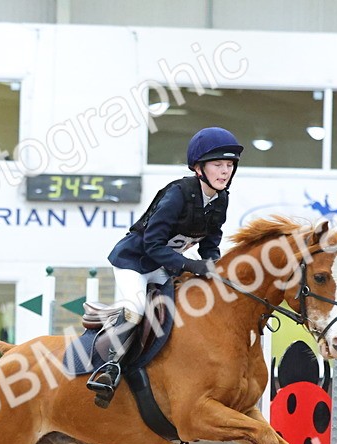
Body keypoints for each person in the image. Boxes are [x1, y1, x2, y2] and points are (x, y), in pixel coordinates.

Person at [86, 126, 243, 401]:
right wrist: (191, 266)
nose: (225, 171)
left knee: (187, 306)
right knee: (134, 309)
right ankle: (108, 369)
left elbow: (210, 243)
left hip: (163, 266)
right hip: (134, 262)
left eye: (229, 165)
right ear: (198, 168)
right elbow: (152, 244)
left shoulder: (221, 200)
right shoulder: (177, 194)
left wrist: (214, 267)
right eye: (218, 164)